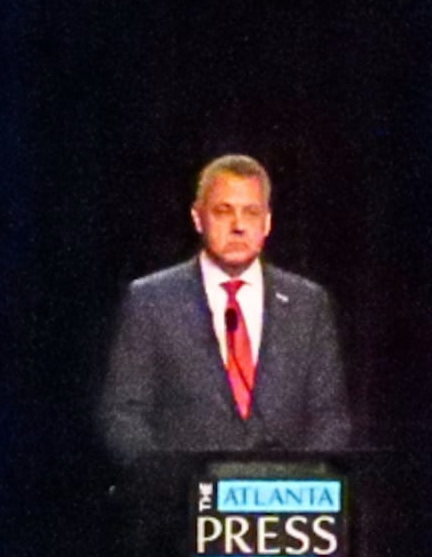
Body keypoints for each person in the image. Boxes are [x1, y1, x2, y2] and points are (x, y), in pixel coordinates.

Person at [97, 155, 356, 464]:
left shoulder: (308, 304)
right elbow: (123, 414)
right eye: (223, 211)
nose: (238, 226)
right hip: (184, 502)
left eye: (251, 212)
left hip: (285, 503)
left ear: (267, 222)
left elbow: (330, 417)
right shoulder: (151, 300)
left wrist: (298, 484)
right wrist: (166, 482)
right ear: (197, 217)